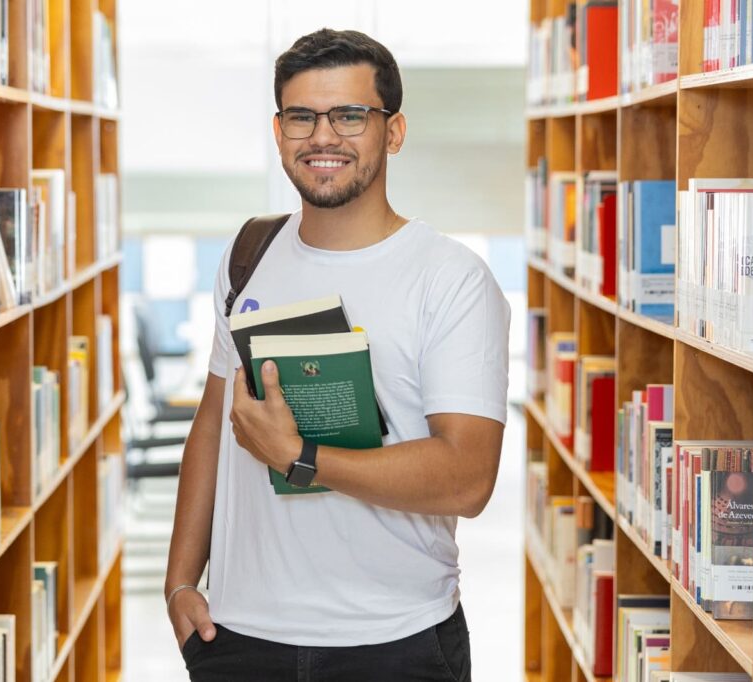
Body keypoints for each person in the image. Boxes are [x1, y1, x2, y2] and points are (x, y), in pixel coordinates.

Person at [165, 27, 510, 682]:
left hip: (396, 642)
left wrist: (299, 458)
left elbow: (468, 478)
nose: (323, 137)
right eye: (302, 117)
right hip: (238, 638)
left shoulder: (451, 278)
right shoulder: (249, 256)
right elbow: (211, 425)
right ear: (279, 131)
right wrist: (180, 582)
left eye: (350, 115)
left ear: (394, 131)